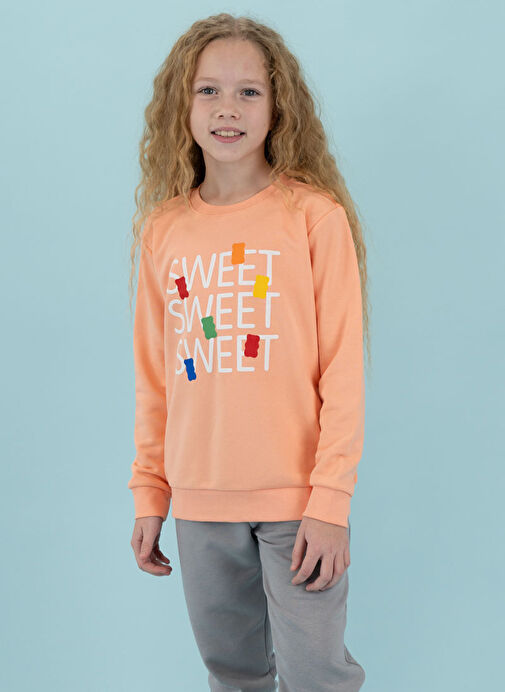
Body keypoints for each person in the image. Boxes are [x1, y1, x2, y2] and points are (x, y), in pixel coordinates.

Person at [127, 12, 370, 692]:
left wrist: (330, 502)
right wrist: (151, 492)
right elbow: (154, 378)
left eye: (248, 92)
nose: (226, 108)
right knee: (232, 673)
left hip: (297, 502)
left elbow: (342, 371)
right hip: (199, 499)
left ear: (277, 106)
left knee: (316, 674)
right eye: (207, 90)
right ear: (181, 104)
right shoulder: (164, 230)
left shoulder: (312, 217)